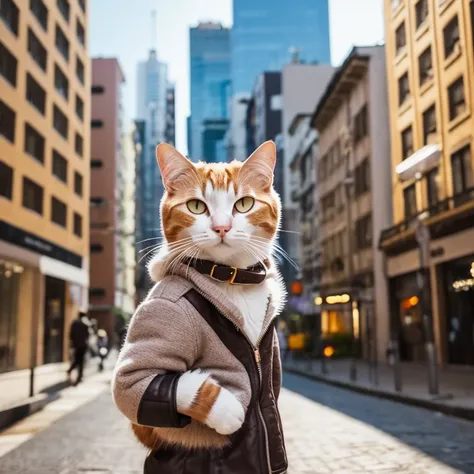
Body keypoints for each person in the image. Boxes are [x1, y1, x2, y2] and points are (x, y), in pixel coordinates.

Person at [67, 311, 90, 385]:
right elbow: (87, 335)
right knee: (80, 361)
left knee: (77, 359)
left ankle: (73, 371)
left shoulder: (75, 323)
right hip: (82, 345)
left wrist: (72, 342)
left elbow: (71, 334)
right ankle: (79, 376)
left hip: (76, 345)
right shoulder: (85, 324)